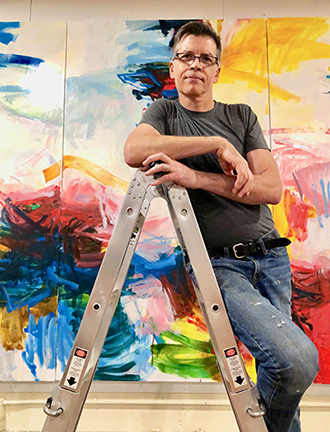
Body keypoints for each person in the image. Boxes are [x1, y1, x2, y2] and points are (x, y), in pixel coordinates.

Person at [124, 21, 319, 432]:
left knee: (283, 368)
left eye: (206, 58)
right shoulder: (164, 114)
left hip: (272, 258)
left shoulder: (240, 116)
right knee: (296, 360)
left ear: (217, 71)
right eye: (186, 56)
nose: (196, 64)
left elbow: (269, 189)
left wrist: (197, 178)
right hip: (219, 268)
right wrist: (216, 145)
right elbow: (134, 149)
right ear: (173, 67)